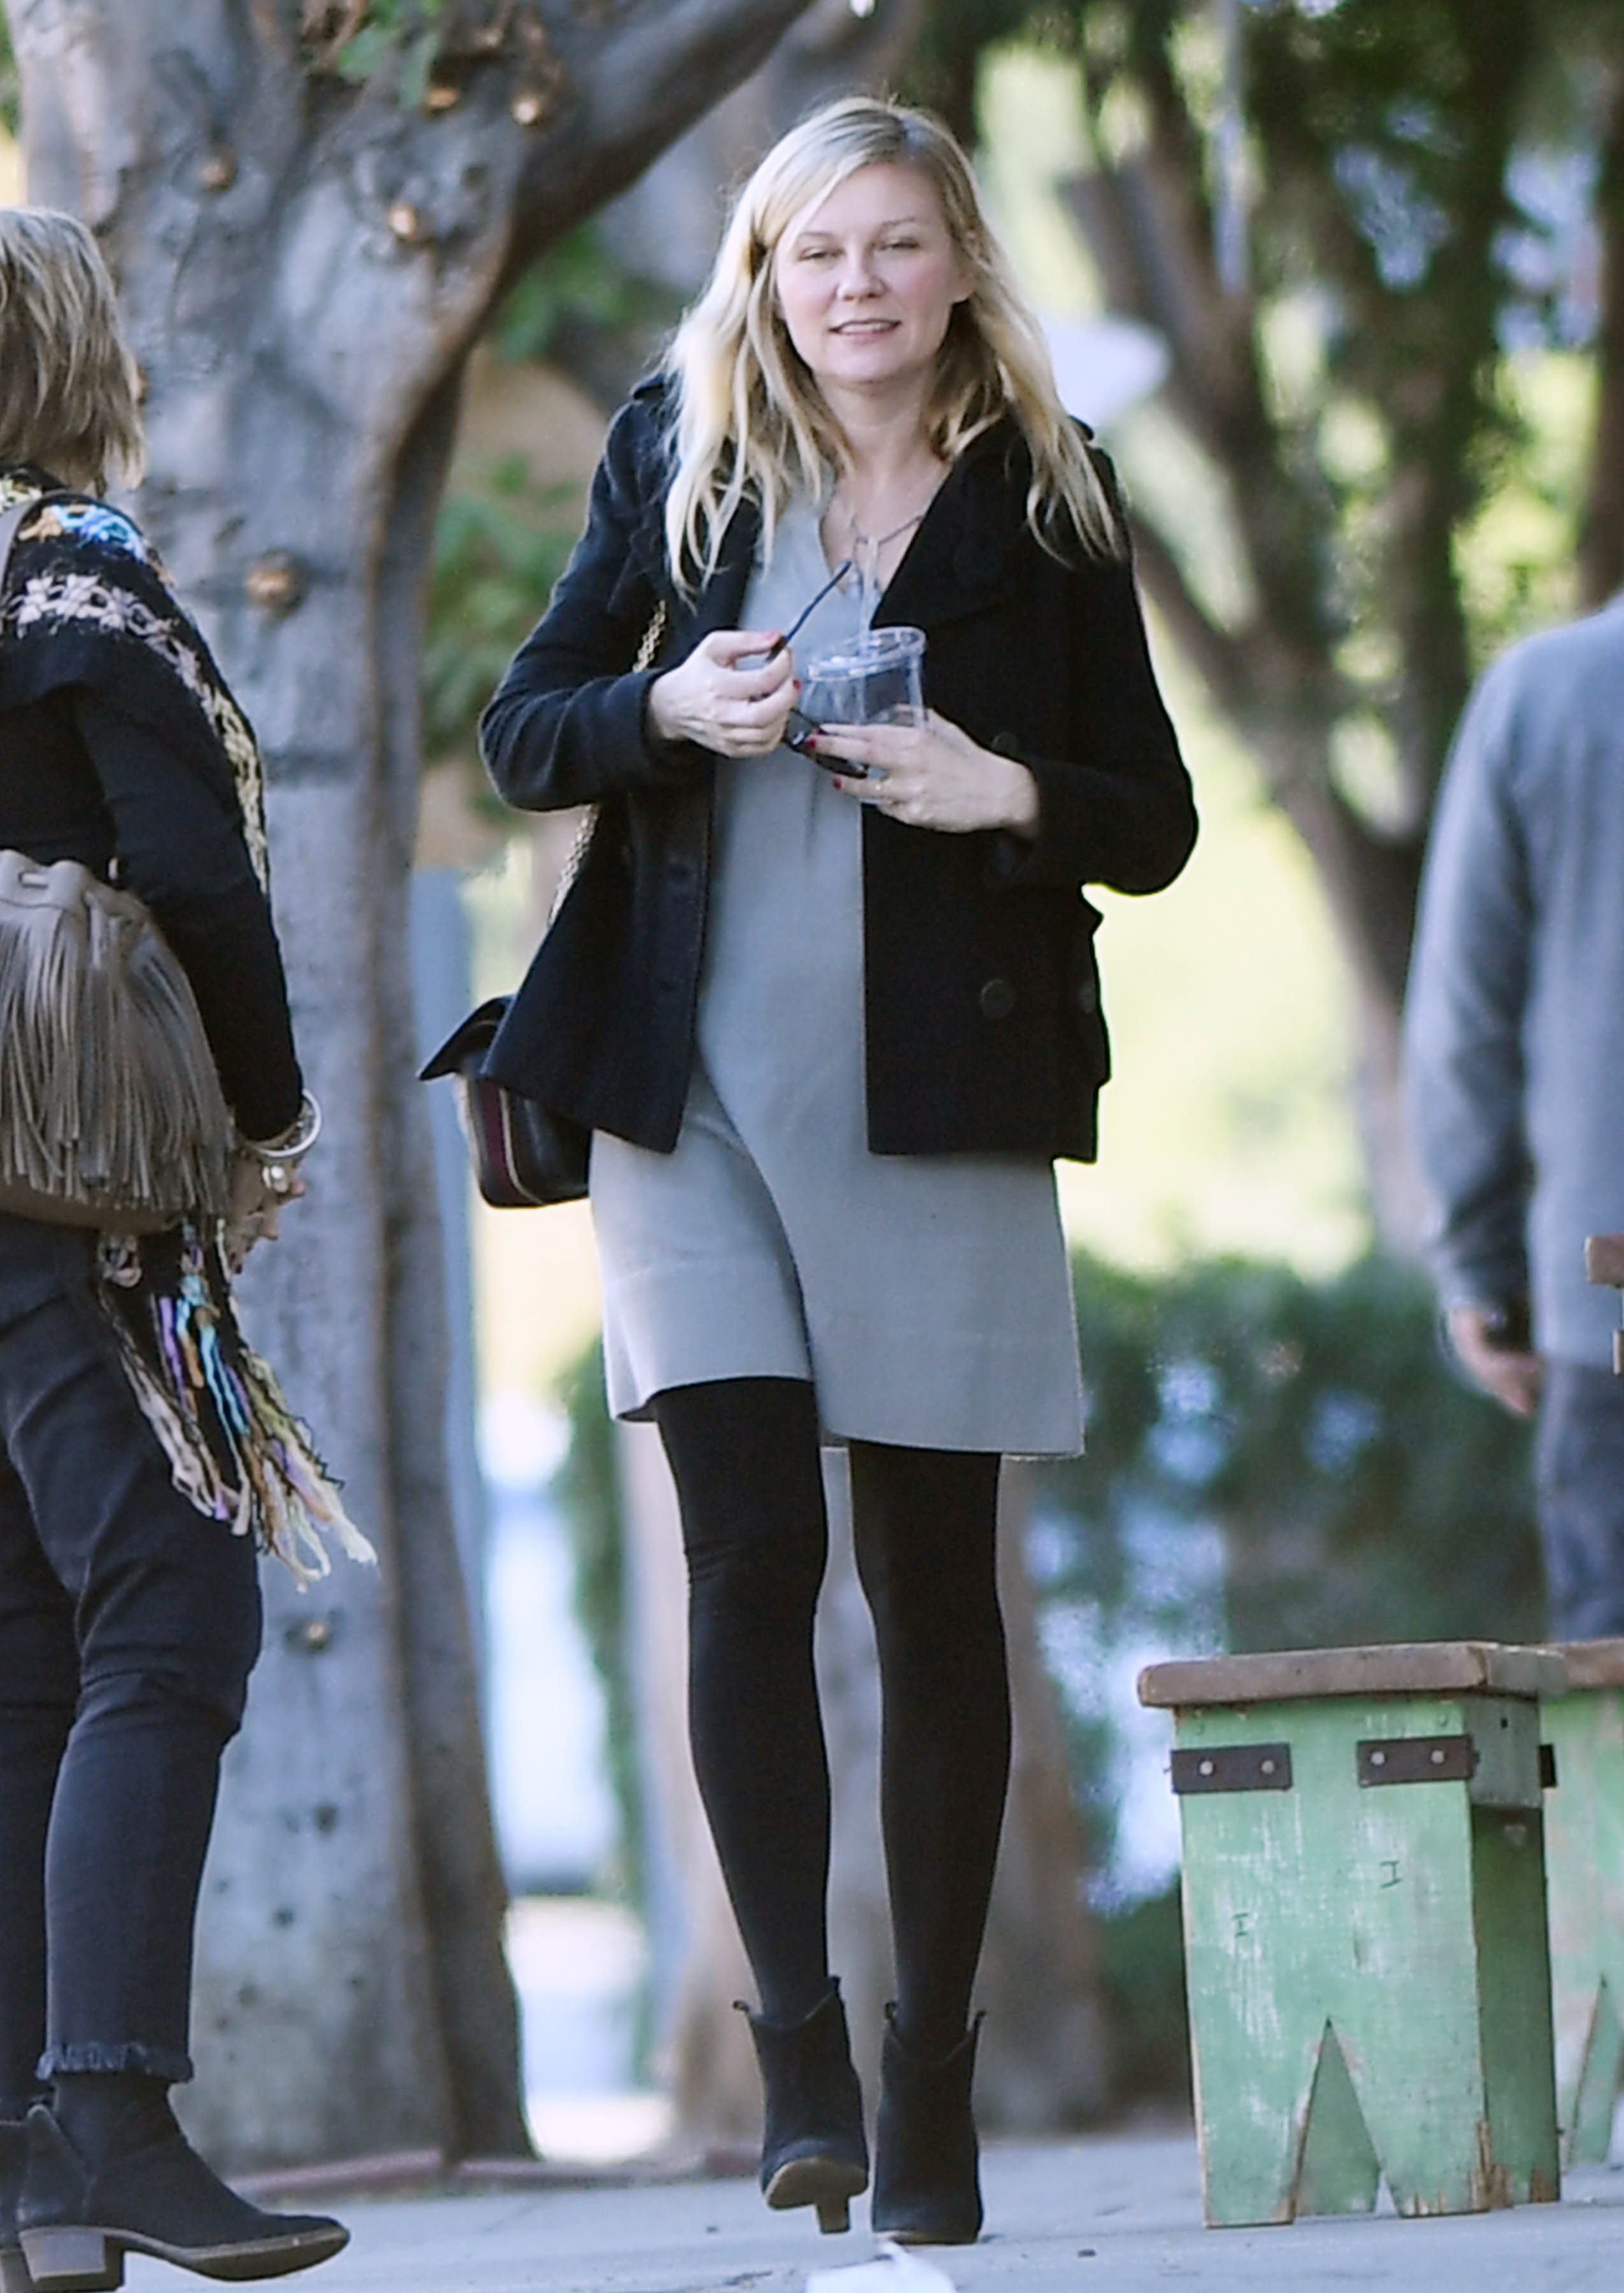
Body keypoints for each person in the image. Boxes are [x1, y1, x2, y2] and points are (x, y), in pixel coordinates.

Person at [480, 97, 1195, 2246]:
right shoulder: (679, 458)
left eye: (893, 244)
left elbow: (1153, 818)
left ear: (959, 261)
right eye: (816, 251)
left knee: (932, 1589)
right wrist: (664, 710)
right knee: (747, 1553)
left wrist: (1003, 790)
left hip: (938, 1096)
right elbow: (527, 726)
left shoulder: (1054, 499)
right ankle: (794, 2047)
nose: (856, 285)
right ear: (766, 276)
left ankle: (929, 2082)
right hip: (679, 1093)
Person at [0, 208, 367, 2293]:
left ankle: (34, 2178)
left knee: (25, 1657)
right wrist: (267, 1121)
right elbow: (195, 879)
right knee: (168, 1603)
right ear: (74, 361)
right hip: (74, 1188)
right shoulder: (76, 583)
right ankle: (115, 2115)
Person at [1405, 585, 1624, 1639]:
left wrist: (1480, 1270)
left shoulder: (1544, 695)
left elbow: (1465, 1020)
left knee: (1612, 1708)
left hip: (1605, 1308)